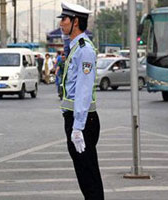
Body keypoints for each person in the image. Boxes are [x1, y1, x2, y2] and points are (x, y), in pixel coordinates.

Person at [57, 2, 104, 200]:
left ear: (75, 22)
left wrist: (77, 127)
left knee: (89, 177)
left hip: (83, 123)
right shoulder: (75, 47)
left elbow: (83, 92)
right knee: (85, 176)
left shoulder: (84, 50)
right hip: (78, 120)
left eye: (64, 19)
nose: (61, 24)